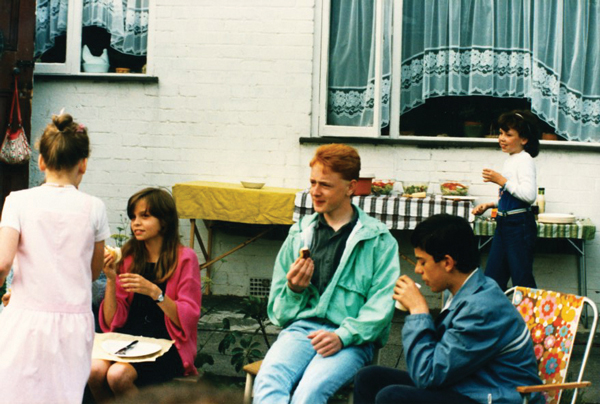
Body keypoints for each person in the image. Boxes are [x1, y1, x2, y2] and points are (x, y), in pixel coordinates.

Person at [253, 144, 400, 404]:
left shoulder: (378, 240)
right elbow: (277, 313)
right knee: (268, 380)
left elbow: (381, 308)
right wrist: (294, 290)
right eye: (312, 182)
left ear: (351, 187)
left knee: (309, 393)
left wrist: (342, 336)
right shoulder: (300, 234)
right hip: (301, 331)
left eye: (326, 185)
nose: (315, 192)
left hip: (351, 339)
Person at [353, 214, 543, 404]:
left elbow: (427, 375)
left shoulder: (482, 308)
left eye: (422, 261)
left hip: (497, 397)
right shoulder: (469, 289)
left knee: (392, 397)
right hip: (468, 385)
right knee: (370, 378)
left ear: (447, 262)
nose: (417, 270)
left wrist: (418, 311)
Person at [0, 113, 110, 403]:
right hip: (73, 322)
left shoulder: (17, 202)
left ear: (41, 161)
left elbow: (2, 263)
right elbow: (93, 269)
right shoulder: (94, 208)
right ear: (83, 164)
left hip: (25, 318)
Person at [88, 188, 201, 402]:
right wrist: (111, 279)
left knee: (118, 376)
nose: (135, 223)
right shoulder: (129, 257)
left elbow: (188, 316)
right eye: (133, 217)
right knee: (93, 371)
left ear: (164, 221)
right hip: (127, 339)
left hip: (168, 343)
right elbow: (112, 321)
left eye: (144, 216)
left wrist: (155, 292)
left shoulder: (185, 258)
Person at [472, 110, 540, 290]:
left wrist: (501, 180)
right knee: (493, 278)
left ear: (524, 139)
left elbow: (529, 195)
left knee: (522, 279)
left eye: (508, 135)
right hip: (504, 223)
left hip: (519, 226)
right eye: (501, 133)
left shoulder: (525, 160)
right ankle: (493, 316)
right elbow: (512, 195)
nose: (502, 138)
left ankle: (530, 317)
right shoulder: (511, 160)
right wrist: (491, 204)